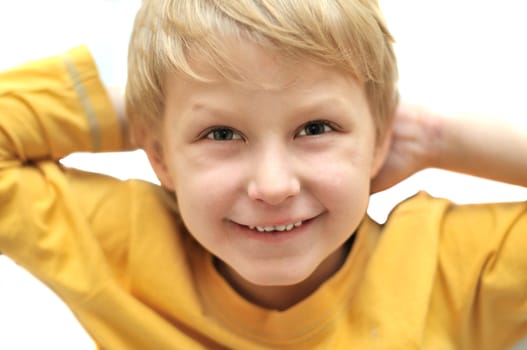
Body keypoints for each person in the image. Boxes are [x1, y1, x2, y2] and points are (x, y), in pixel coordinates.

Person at [0, 0, 526, 349]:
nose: (273, 186)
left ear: (381, 138)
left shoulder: (445, 270)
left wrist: (436, 136)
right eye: (223, 135)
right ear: (158, 156)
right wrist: (151, 115)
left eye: (315, 127)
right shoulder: (122, 246)